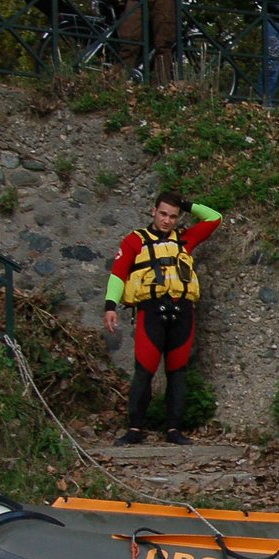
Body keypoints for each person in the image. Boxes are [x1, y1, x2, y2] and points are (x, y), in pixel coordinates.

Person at [103, 191, 222, 445]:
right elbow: (118, 274)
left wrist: (187, 204)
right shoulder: (135, 241)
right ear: (153, 212)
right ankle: (134, 430)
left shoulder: (185, 240)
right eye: (163, 214)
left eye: (173, 216)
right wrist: (110, 305)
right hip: (151, 312)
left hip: (182, 313)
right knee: (144, 371)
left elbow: (214, 218)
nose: (167, 220)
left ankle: (174, 430)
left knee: (177, 371)